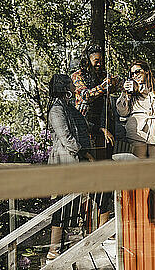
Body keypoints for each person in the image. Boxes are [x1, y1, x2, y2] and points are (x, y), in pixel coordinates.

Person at [45, 74, 99, 261]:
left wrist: (100, 129)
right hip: (63, 163)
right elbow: (66, 138)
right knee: (62, 205)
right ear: (63, 87)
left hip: (73, 162)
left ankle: (67, 245)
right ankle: (53, 249)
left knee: (73, 203)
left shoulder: (67, 107)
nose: (75, 86)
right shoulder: (56, 110)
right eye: (71, 84)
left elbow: (82, 123)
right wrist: (86, 153)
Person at [116, 60, 155, 159]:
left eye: (137, 72)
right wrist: (126, 94)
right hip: (137, 133)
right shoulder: (131, 91)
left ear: (146, 71)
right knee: (140, 165)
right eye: (132, 74)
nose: (135, 75)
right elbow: (122, 112)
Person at [71, 44, 117, 159]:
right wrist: (104, 86)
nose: (99, 64)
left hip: (103, 123)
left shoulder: (103, 75)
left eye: (101, 60)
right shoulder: (77, 76)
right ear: (87, 61)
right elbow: (86, 95)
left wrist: (116, 83)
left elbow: (117, 87)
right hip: (84, 125)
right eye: (96, 60)